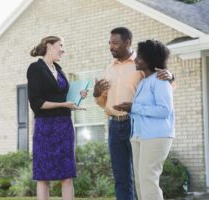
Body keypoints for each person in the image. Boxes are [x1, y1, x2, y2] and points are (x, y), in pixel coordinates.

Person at [93, 27, 174, 200]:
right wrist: (96, 92)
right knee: (123, 178)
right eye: (109, 43)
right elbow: (103, 100)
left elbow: (164, 90)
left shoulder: (143, 63)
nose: (111, 47)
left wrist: (171, 76)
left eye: (115, 43)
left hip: (136, 123)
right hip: (114, 124)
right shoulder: (109, 69)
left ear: (127, 42)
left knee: (146, 177)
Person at [27, 36, 86, 200]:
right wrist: (63, 105)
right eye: (61, 45)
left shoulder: (59, 69)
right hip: (45, 128)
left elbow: (64, 97)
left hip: (64, 127)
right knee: (43, 176)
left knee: (67, 175)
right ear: (49, 46)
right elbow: (36, 103)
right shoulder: (35, 68)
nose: (63, 49)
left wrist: (78, 96)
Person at [115, 39, 174, 200]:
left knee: (149, 180)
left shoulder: (160, 80)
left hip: (156, 136)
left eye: (139, 56)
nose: (135, 59)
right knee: (141, 182)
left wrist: (133, 108)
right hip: (139, 136)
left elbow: (164, 110)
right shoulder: (144, 82)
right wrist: (129, 108)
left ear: (149, 59)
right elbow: (142, 110)